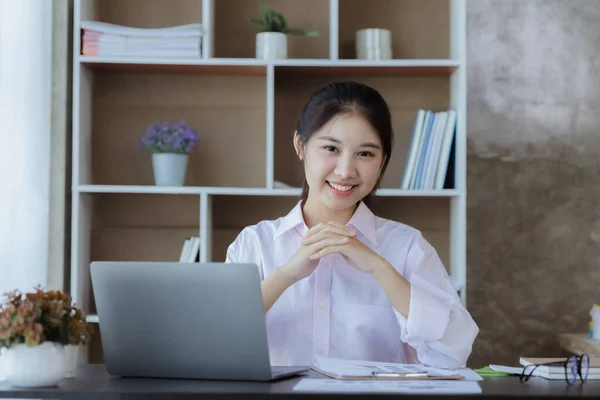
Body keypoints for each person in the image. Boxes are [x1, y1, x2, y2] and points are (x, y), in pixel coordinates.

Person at [225, 81, 479, 369]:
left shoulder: (407, 246)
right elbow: (216, 341)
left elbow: (454, 350)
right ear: (301, 146)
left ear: (382, 161)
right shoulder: (254, 243)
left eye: (365, 154)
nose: (345, 171)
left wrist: (379, 268)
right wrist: (285, 274)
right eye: (331, 148)